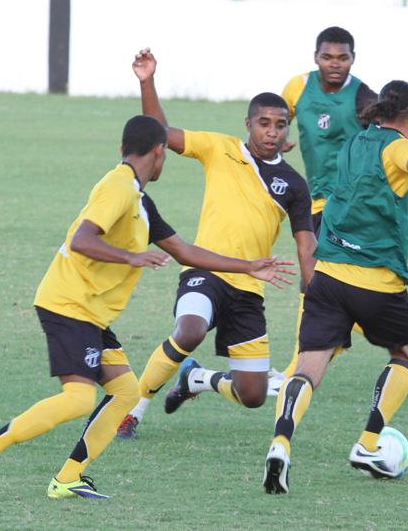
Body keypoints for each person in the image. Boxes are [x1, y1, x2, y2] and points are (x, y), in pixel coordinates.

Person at [0, 115, 295, 500]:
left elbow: (185, 250)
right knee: (79, 398)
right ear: (159, 152)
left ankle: (67, 478)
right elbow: (83, 239)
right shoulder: (118, 188)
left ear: (123, 149)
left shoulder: (140, 200)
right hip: (69, 305)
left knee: (125, 392)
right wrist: (129, 258)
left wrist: (249, 266)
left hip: (90, 312)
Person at [262, 80, 408, 494]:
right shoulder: (401, 146)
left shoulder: (355, 141)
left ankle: (280, 441)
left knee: (308, 367)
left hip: (328, 274)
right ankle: (368, 445)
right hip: (376, 281)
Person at [116, 48, 317, 441]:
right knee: (189, 330)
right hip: (204, 271)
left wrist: (316, 295)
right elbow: (159, 133)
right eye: (264, 123)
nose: (272, 131)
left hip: (248, 290)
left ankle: (198, 379)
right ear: (248, 124)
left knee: (253, 395)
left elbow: (305, 246)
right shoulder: (220, 148)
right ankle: (132, 410)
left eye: (280, 125)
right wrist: (147, 81)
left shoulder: (294, 185)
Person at [270, 26, 408, 396]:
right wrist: (280, 137)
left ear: (352, 59)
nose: (335, 64)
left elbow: (388, 140)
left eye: (342, 57)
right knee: (323, 284)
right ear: (315, 57)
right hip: (309, 196)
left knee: (315, 282)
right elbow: (278, 113)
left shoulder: (362, 96)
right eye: (328, 56)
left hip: (340, 203)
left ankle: (299, 367)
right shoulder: (298, 87)